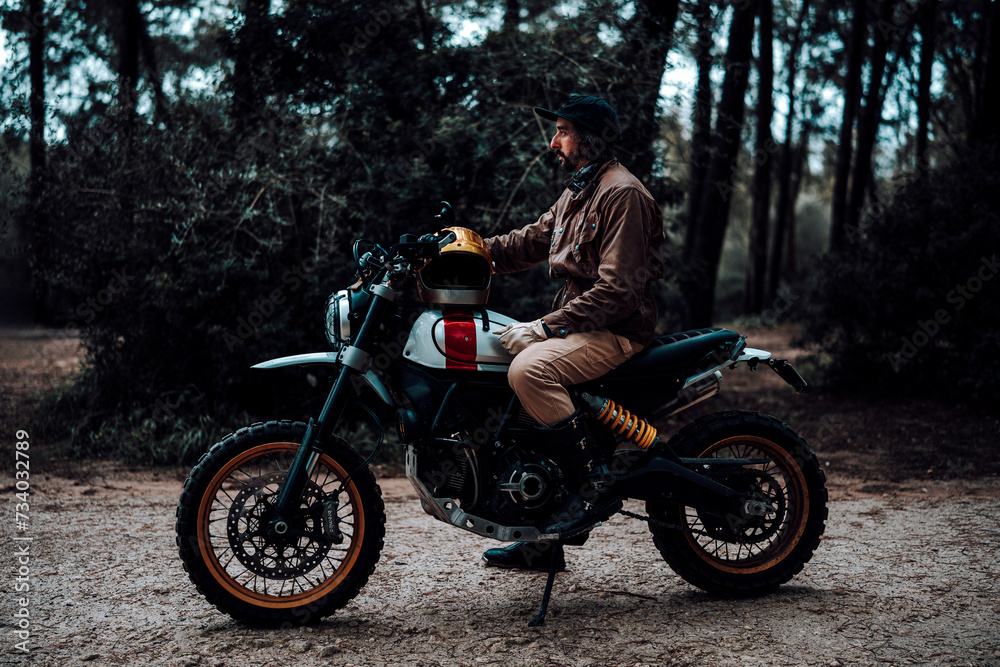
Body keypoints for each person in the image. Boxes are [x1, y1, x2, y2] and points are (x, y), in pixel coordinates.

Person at [481, 95, 665, 571]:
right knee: (498, 362)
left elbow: (619, 291)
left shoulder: (621, 194)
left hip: (616, 331)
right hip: (582, 325)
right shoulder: (579, 192)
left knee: (529, 370)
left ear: (588, 137)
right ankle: (537, 534)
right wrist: (464, 248)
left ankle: (591, 490)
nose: (553, 141)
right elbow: (528, 242)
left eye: (562, 131)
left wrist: (545, 327)